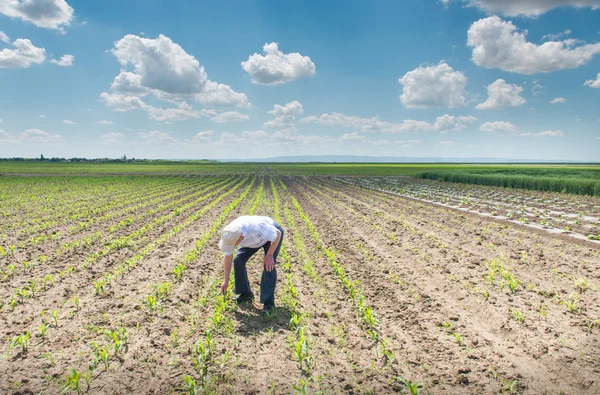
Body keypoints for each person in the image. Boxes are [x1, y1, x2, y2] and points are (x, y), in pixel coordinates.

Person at [219, 215, 284, 315]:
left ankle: (269, 304)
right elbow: (228, 256)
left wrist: (269, 255)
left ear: (241, 238)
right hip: (253, 241)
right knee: (238, 260)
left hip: (271, 238)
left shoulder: (257, 228)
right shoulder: (229, 232)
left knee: (269, 265)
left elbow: (277, 234)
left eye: (233, 244)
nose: (231, 247)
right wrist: (225, 280)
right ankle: (246, 294)